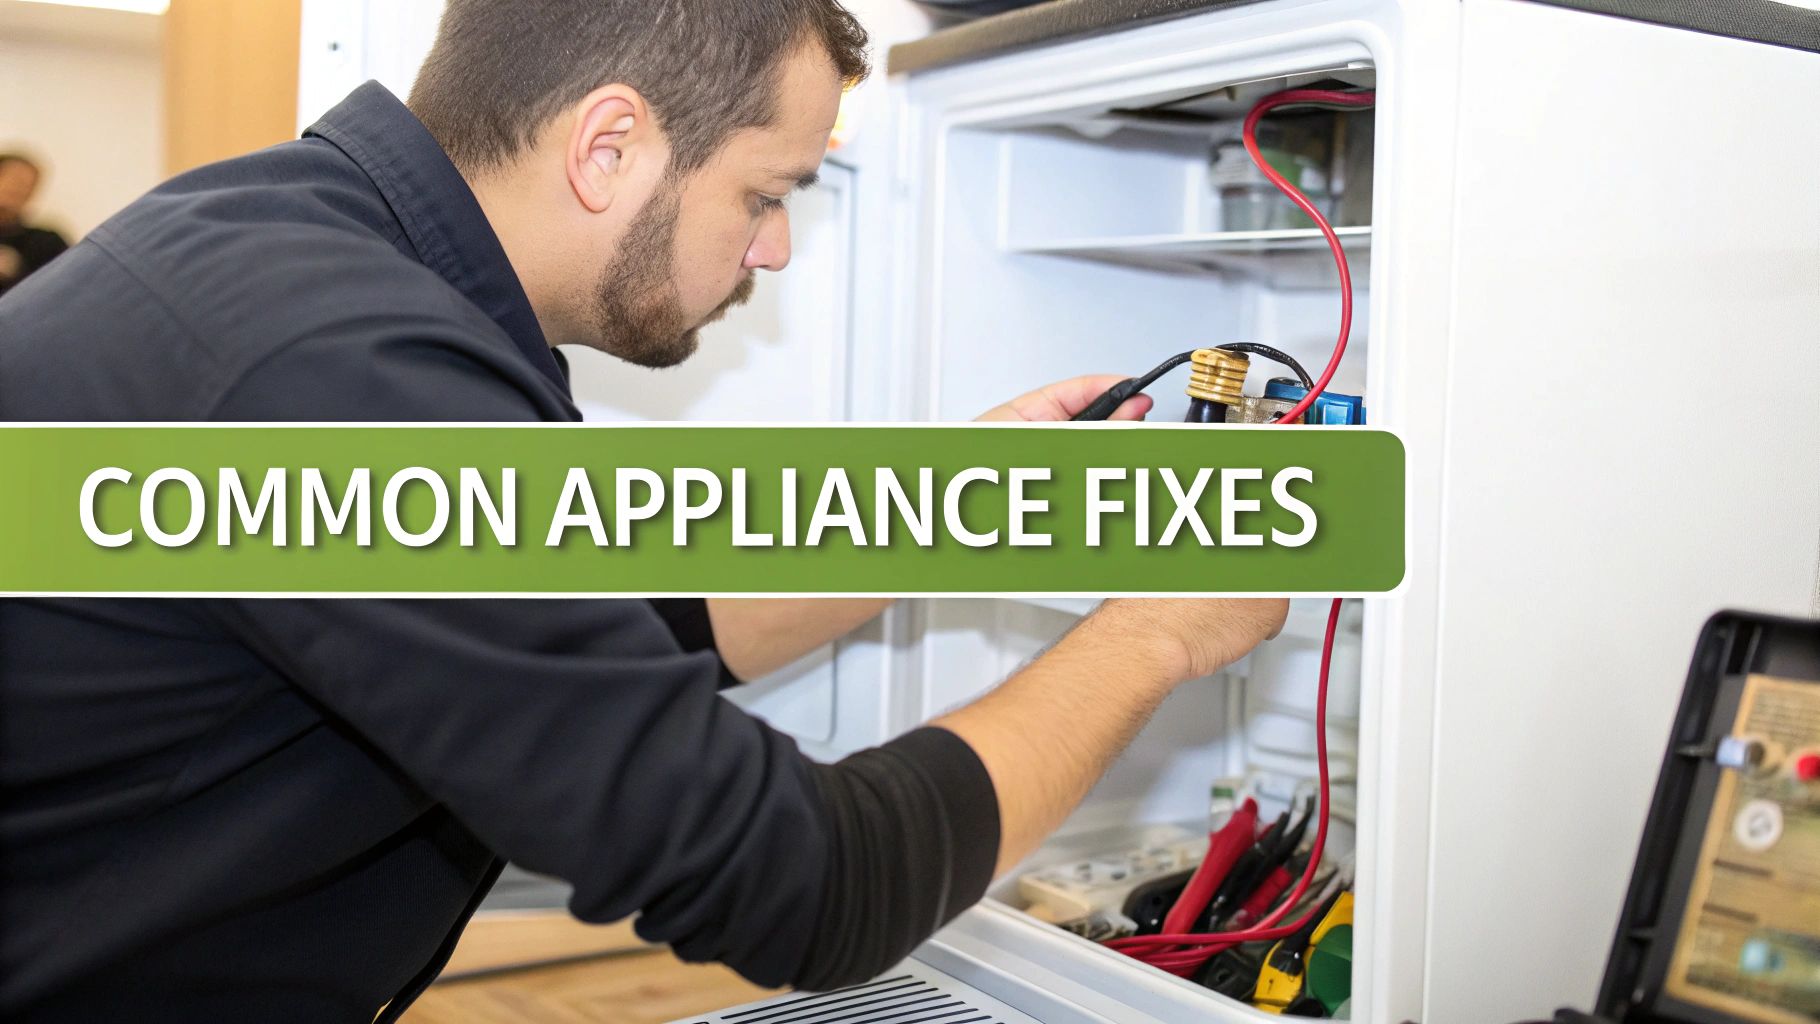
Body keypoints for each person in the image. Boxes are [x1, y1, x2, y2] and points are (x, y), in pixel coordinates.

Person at [0, 2, 1290, 1021]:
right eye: (767, 193)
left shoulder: (297, 254)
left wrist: (966, 505)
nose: (773, 249)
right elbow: (802, 883)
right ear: (607, 145)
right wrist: (1154, 635)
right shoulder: (339, 369)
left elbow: (609, 625)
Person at [0, 153, 69, 297]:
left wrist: (17, 270)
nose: (19, 189)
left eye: (29, 184)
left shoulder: (46, 243)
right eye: (14, 180)